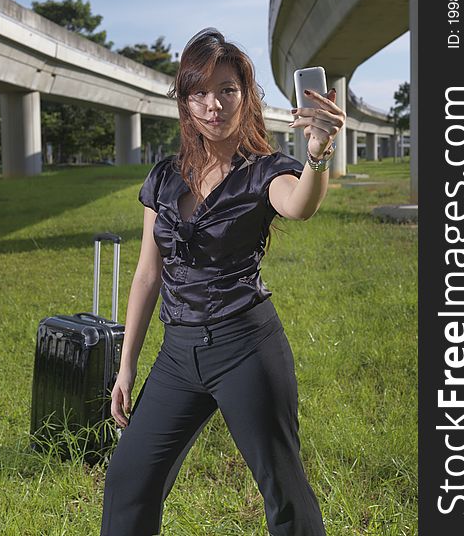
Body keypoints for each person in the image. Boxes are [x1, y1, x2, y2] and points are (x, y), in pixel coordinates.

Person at [100, 27, 346, 536]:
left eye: (227, 90)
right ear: (186, 102)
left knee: (283, 492)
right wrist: (126, 366)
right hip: (177, 355)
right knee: (128, 480)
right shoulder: (165, 176)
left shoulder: (265, 170)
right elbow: (148, 273)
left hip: (246, 350)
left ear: (246, 96)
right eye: (199, 92)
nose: (213, 104)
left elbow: (299, 205)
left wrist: (318, 153)